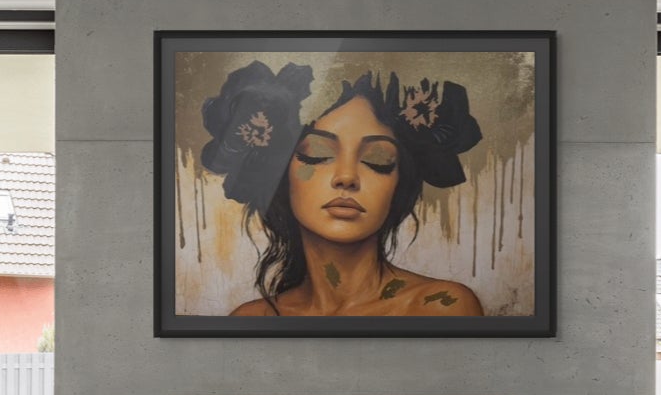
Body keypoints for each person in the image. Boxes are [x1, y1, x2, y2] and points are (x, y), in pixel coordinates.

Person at [194, 62, 488, 317]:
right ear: (282, 175)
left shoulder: (442, 306)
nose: (347, 177)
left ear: (399, 183)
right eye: (317, 154)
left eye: (378, 159)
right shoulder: (251, 320)